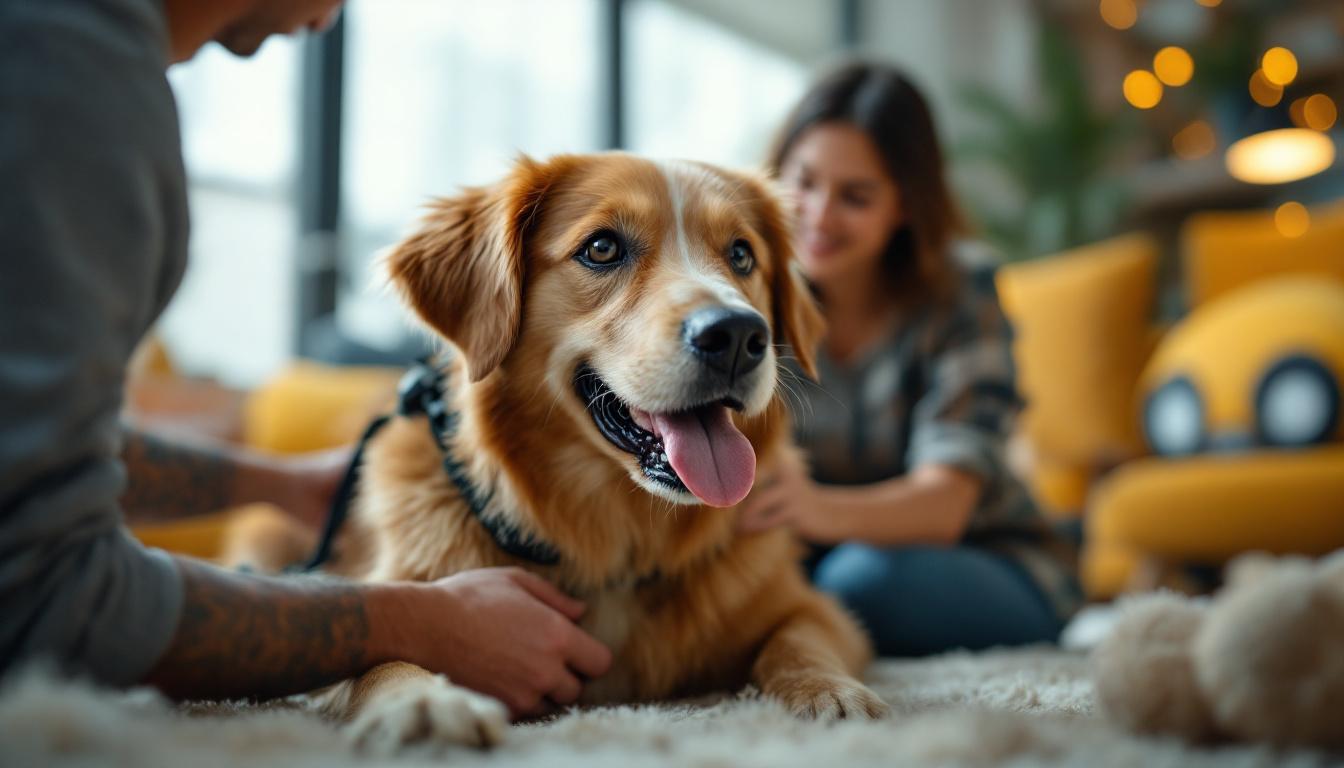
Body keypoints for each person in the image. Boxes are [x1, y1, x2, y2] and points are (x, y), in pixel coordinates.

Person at [0, 0, 610, 715]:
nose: (326, 23)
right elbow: (43, 594)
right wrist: (424, 622)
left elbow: (31, 465)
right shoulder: (72, 80)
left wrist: (279, 483)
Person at [738, 61, 1082, 656]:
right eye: (805, 181)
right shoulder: (747, 291)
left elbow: (945, 505)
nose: (818, 214)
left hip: (985, 556)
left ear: (904, 205)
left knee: (857, 584)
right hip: (806, 550)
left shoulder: (961, 289)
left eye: (856, 196)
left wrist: (813, 507)